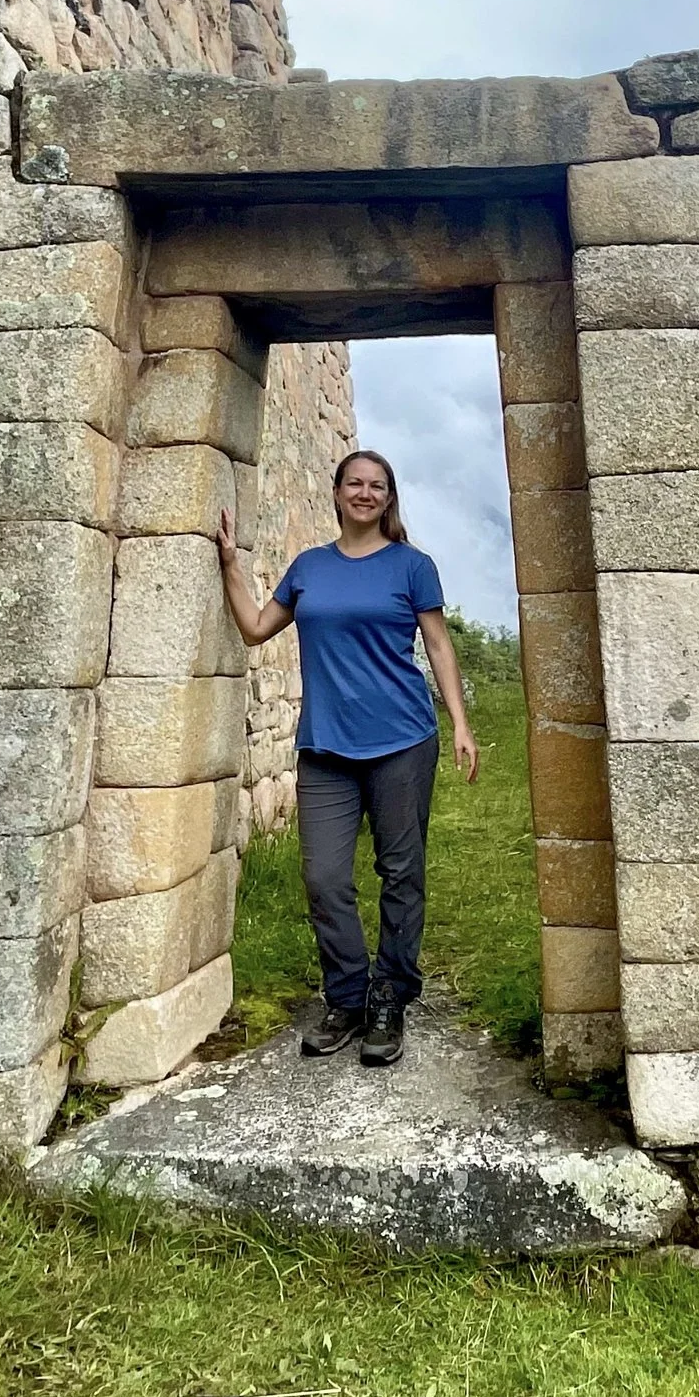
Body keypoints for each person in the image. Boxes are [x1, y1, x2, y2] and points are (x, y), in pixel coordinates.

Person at [216, 450, 478, 1067]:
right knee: (325, 879)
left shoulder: (412, 566)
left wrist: (460, 724)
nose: (365, 493)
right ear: (336, 493)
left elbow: (438, 646)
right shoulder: (309, 567)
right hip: (326, 746)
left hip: (403, 741)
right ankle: (348, 997)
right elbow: (255, 628)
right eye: (354, 483)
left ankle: (389, 997)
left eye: (377, 486)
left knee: (401, 873)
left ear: (388, 498)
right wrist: (229, 564)